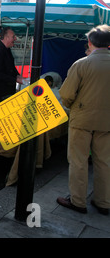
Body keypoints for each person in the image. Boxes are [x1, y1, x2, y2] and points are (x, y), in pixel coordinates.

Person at [56, 25, 110, 215]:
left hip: (82, 119)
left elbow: (67, 95)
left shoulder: (81, 64)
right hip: (107, 121)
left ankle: (78, 201)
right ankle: (103, 201)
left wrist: (73, 105)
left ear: (89, 42)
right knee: (104, 161)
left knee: (79, 160)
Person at [0, 27, 23, 106]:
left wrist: (18, 76)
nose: (15, 39)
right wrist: (15, 79)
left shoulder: (7, 49)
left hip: (5, 93)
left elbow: (11, 67)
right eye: (13, 37)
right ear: (6, 38)